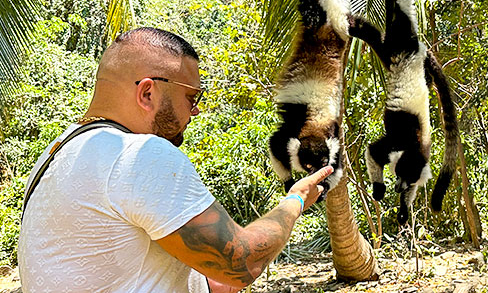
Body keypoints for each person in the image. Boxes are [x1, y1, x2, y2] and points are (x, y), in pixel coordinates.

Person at [18, 27, 333, 293]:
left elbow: (203, 279)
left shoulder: (57, 154)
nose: (195, 111)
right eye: (191, 97)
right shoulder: (136, 155)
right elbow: (241, 262)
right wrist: (296, 200)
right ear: (147, 93)